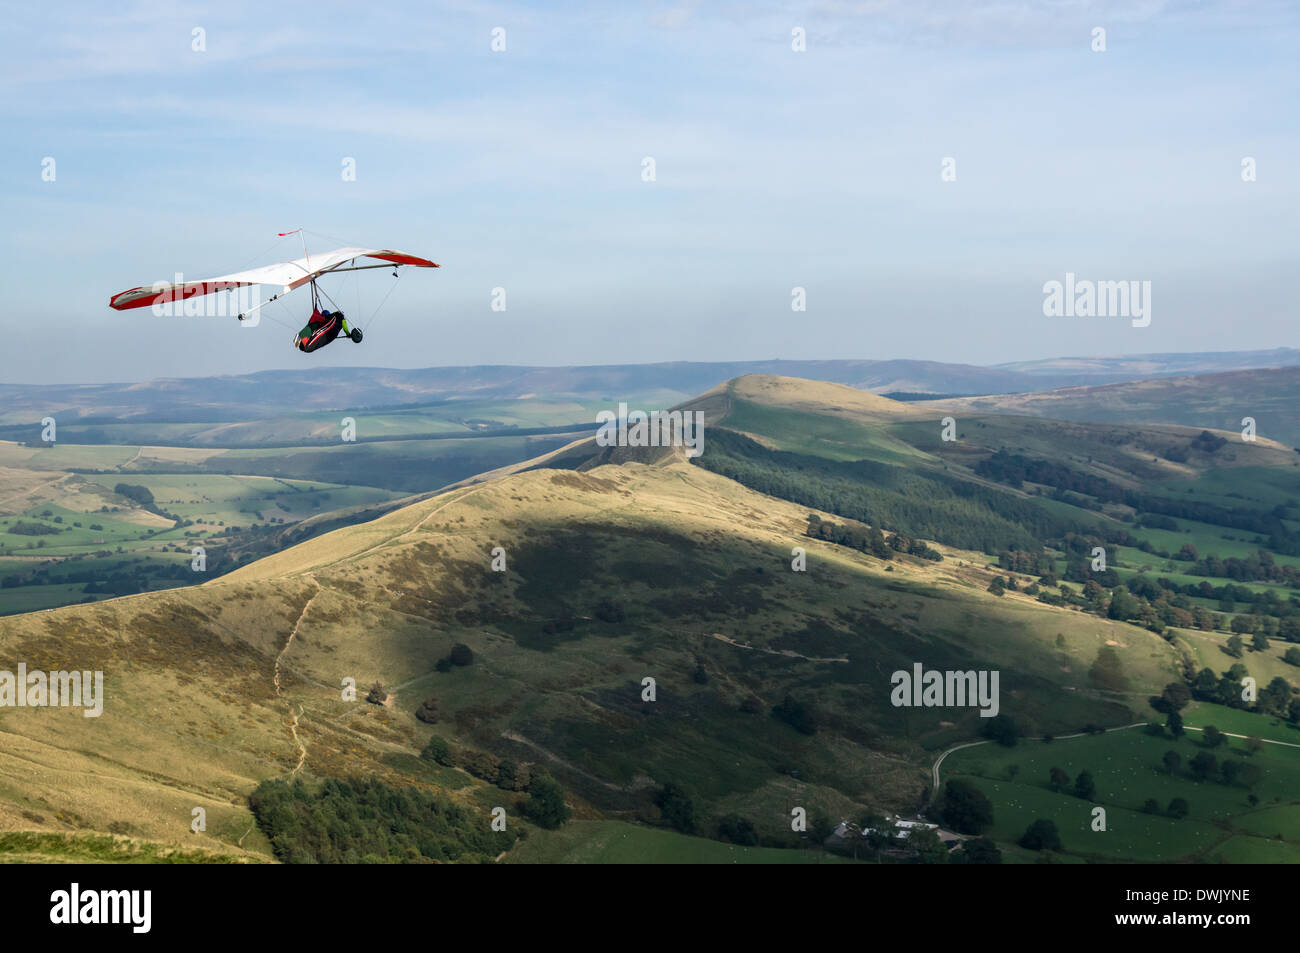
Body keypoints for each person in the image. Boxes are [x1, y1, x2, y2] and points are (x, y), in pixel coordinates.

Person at [295, 308, 362, 352]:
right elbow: (344, 327)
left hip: (328, 334)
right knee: (314, 328)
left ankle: (302, 338)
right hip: (329, 335)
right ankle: (302, 338)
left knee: (314, 327)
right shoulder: (337, 317)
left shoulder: (334, 317)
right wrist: (348, 334)